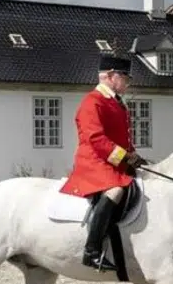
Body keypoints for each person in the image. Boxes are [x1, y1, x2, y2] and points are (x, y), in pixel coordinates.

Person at [61, 55, 147, 268]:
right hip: (94, 161)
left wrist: (133, 155)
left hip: (112, 161)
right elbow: (96, 139)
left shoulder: (116, 102)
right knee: (115, 191)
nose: (128, 82)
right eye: (124, 77)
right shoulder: (92, 101)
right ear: (109, 76)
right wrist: (123, 158)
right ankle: (91, 251)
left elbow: (121, 137)